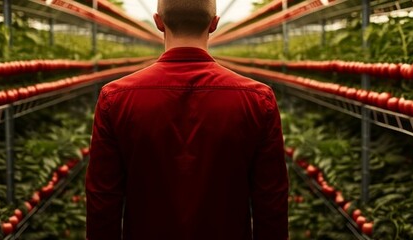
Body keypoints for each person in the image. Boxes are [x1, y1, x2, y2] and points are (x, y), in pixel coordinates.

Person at [85, 0, 288, 239]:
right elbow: (271, 204)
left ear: (158, 22)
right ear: (214, 24)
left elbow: (102, 203)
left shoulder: (115, 98)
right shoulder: (258, 99)